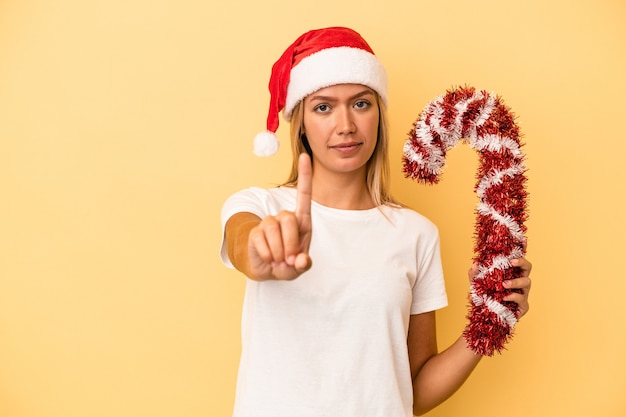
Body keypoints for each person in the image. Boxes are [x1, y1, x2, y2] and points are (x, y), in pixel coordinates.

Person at [219, 27, 532, 417]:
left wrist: (490, 320)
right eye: (323, 107)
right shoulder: (260, 206)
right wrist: (262, 249)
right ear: (300, 122)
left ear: (378, 115)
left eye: (361, 104)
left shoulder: (417, 235)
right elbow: (243, 242)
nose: (345, 124)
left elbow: (412, 391)